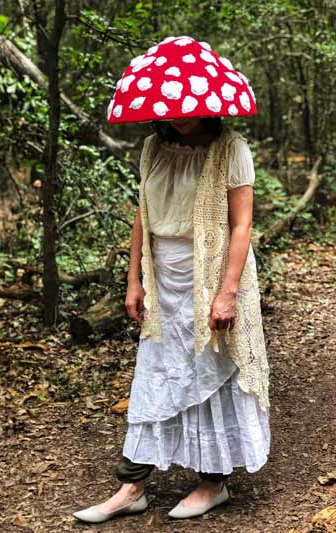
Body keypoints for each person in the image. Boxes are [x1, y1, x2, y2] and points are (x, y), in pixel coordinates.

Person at [73, 116, 270, 523]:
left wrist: (227, 293)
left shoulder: (232, 149)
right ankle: (132, 487)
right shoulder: (152, 147)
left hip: (213, 274)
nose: (177, 116)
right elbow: (142, 215)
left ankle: (213, 483)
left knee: (210, 372)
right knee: (156, 374)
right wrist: (133, 279)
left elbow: (242, 224)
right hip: (163, 275)